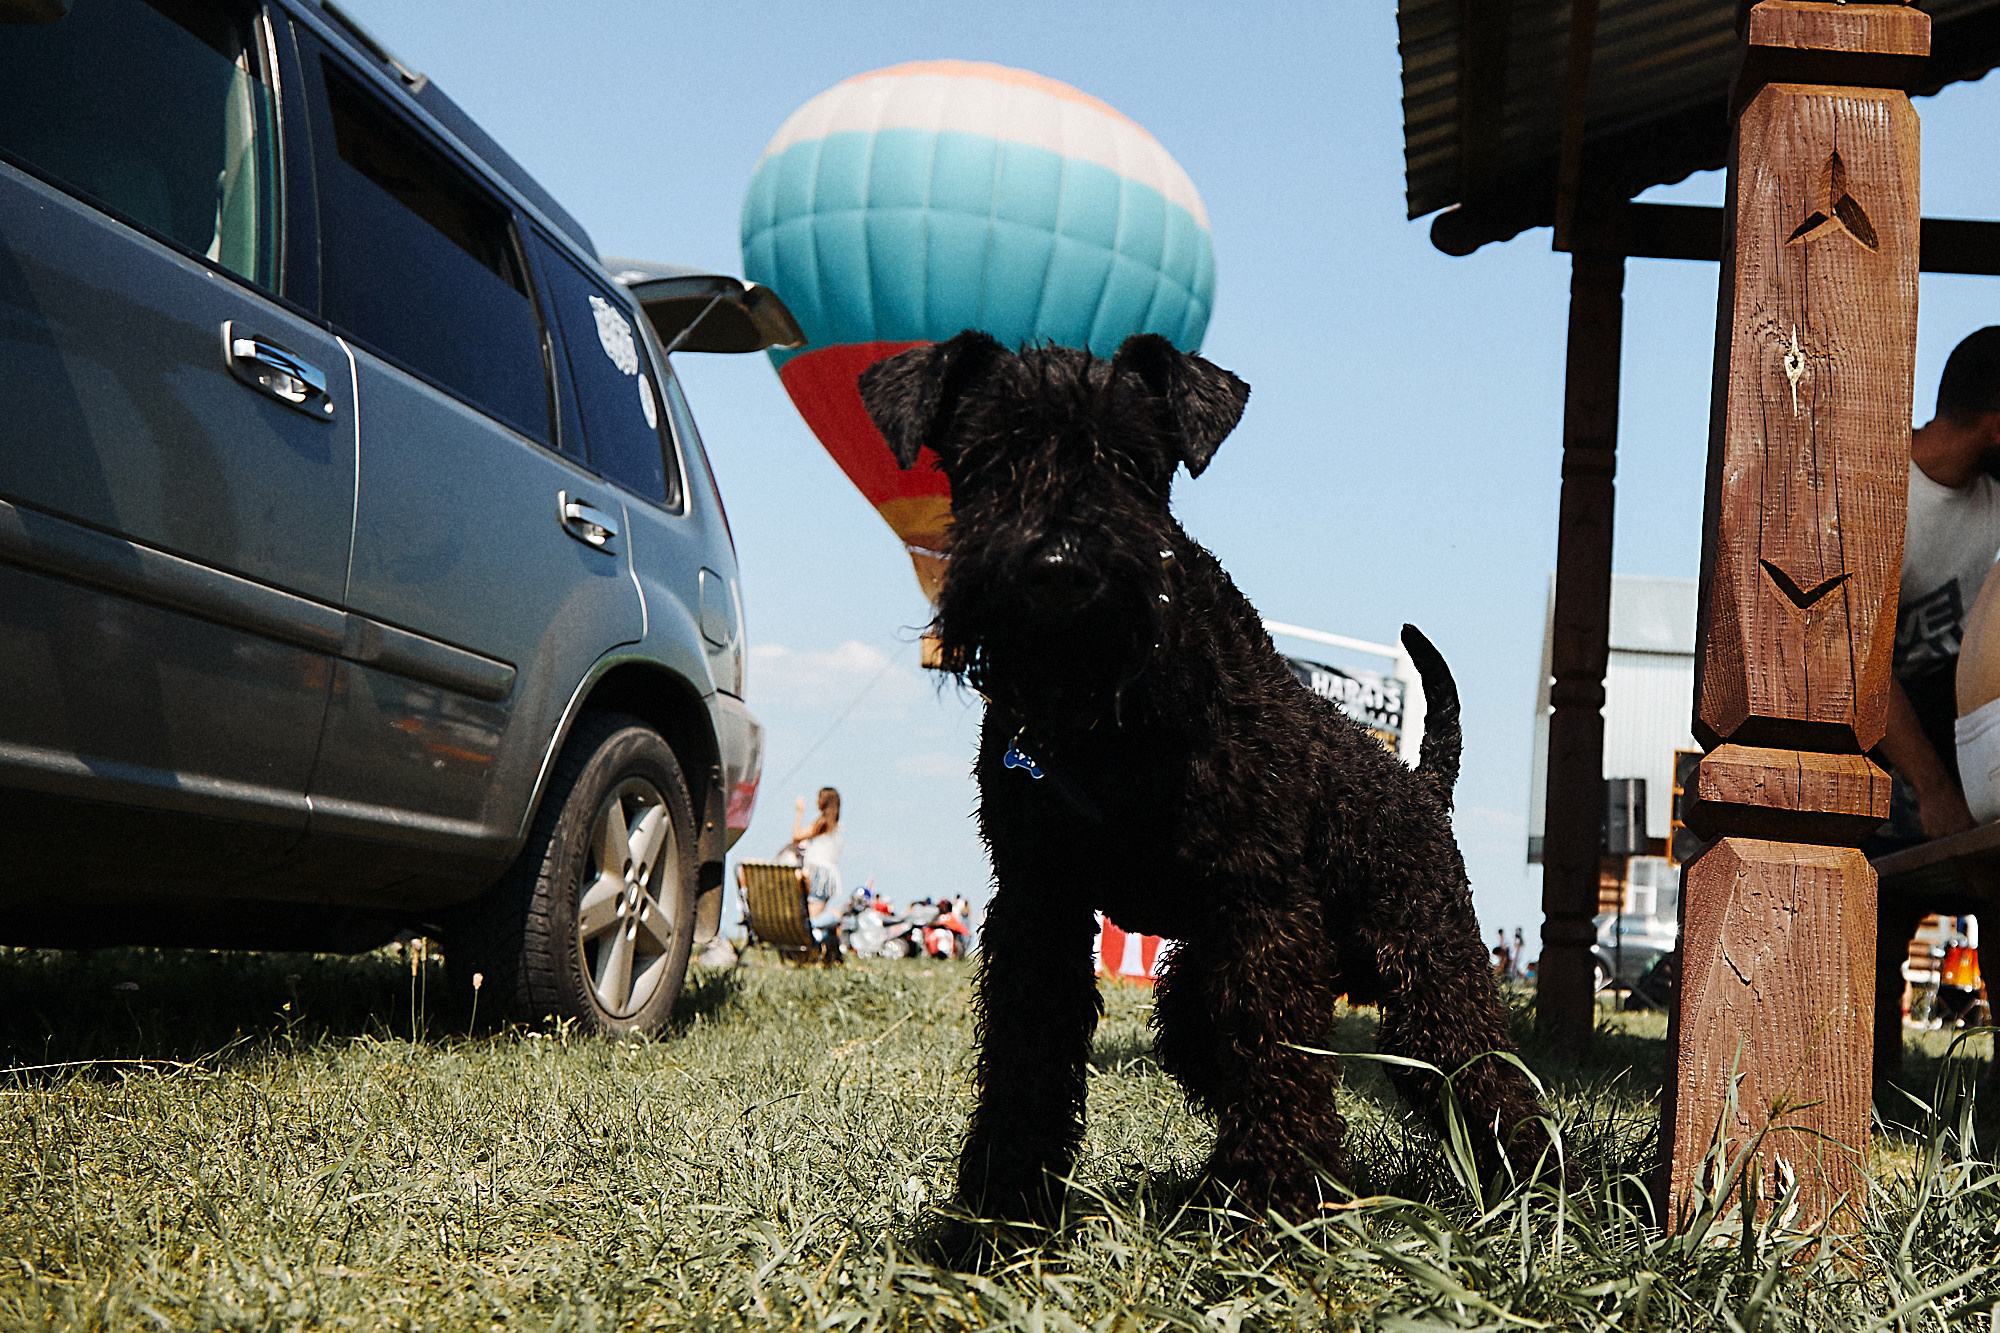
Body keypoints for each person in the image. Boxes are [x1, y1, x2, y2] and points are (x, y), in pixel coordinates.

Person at [1875, 327, 2000, 847]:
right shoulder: (1877, 489)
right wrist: (1932, 787)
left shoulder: (1993, 491)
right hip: (1878, 743)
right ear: (1997, 428)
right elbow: (1854, 665)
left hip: (1956, 730)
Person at [792, 787, 847, 954]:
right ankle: (828, 940)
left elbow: (796, 836)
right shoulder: (835, 825)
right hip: (829, 874)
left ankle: (835, 917)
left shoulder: (822, 823)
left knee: (811, 918)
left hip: (818, 873)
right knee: (813, 914)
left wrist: (800, 812)